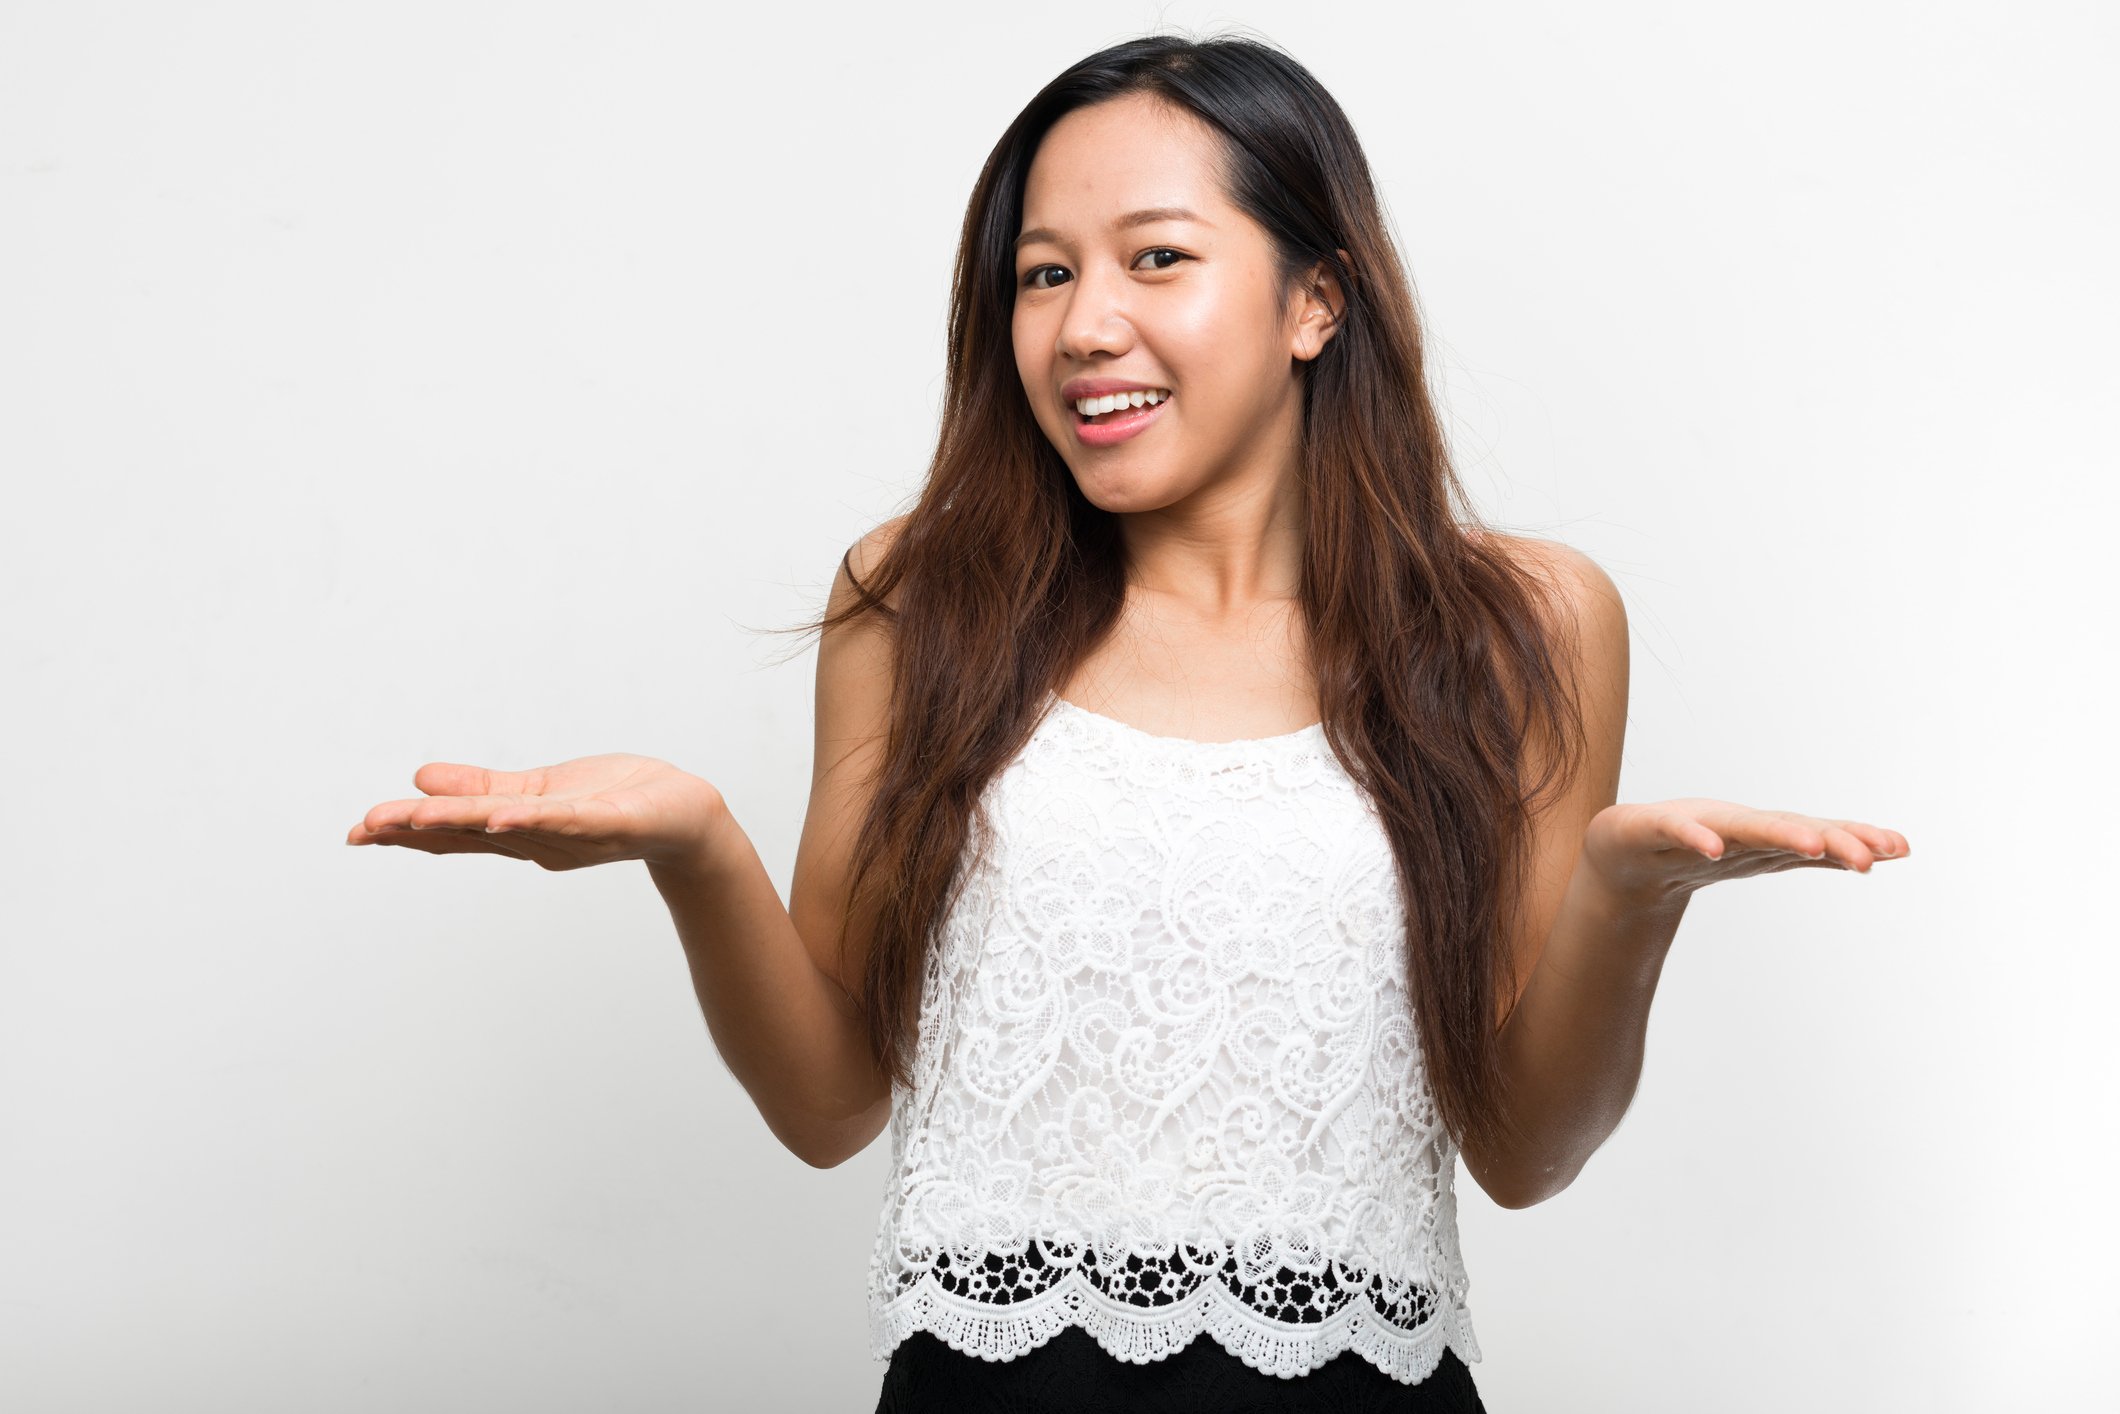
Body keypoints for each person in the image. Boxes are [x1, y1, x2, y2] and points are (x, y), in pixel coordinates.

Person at [348, 32, 1907, 1412]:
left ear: (1314, 298)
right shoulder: (918, 597)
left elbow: (1523, 1147)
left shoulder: (1525, 624)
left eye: (1156, 258)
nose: (1085, 324)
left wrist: (1627, 903)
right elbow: (830, 1101)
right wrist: (692, 845)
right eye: (1044, 271)